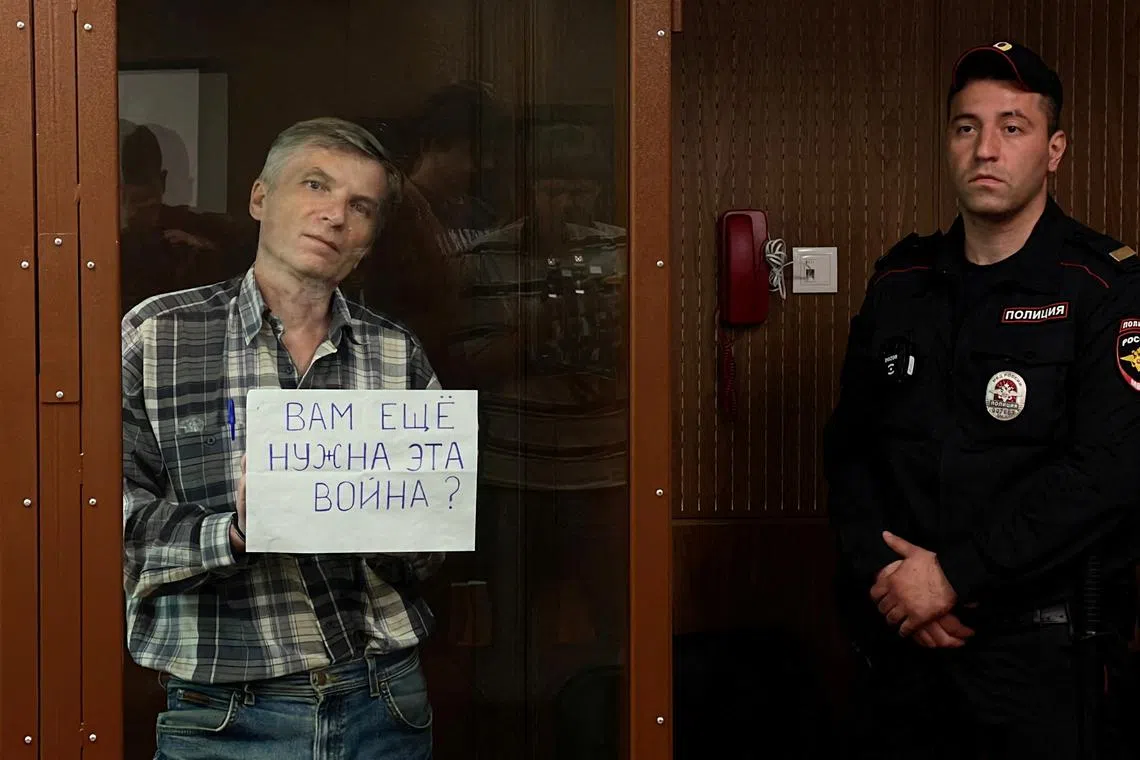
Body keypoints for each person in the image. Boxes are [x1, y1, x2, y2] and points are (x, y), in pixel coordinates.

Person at [826, 41, 1140, 758]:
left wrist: (952, 575)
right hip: (902, 645)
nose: (985, 149)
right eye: (966, 127)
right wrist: (890, 579)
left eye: (1012, 127)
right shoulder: (900, 283)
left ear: (1054, 150)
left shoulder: (1105, 289)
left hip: (1041, 662)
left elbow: (1107, 474)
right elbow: (849, 447)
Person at [122, 117, 441, 759]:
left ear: (369, 238)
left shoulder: (396, 353)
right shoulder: (157, 336)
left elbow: (435, 536)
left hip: (384, 700)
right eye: (315, 185)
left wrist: (390, 522)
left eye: (361, 206)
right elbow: (106, 515)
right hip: (224, 710)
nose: (335, 215)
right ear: (260, 197)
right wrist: (234, 533)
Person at [118, 120, 254, 313]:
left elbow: (246, 257)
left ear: (163, 181)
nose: (140, 208)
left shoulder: (193, 228)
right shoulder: (108, 240)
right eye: (134, 198)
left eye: (146, 198)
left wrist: (203, 249)